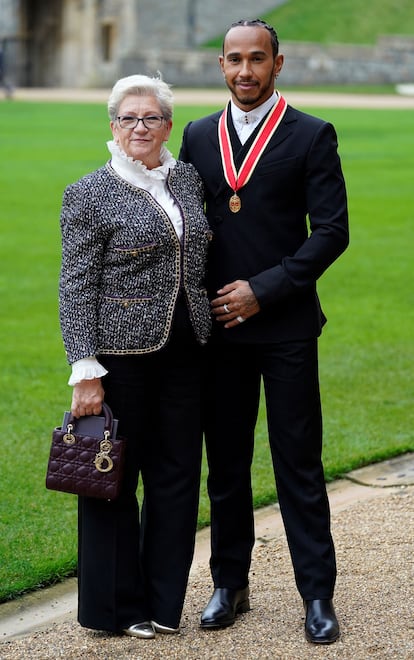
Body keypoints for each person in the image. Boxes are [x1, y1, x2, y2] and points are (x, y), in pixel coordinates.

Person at [179, 19, 349, 644]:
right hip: (219, 333)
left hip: (284, 328)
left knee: (297, 462)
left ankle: (317, 595)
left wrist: (264, 290)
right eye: (234, 60)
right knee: (224, 465)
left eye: (258, 59)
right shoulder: (197, 136)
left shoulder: (311, 134)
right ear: (220, 66)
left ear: (279, 63)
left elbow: (333, 231)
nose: (245, 71)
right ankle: (230, 583)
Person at [59, 74, 212, 638]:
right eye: (128, 118)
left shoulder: (187, 181)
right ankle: (117, 608)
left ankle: (162, 603)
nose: (140, 127)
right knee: (112, 479)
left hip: (186, 350)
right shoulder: (88, 192)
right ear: (113, 127)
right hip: (118, 357)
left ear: (169, 126)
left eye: (151, 118)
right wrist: (85, 370)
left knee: (175, 476)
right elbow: (75, 287)